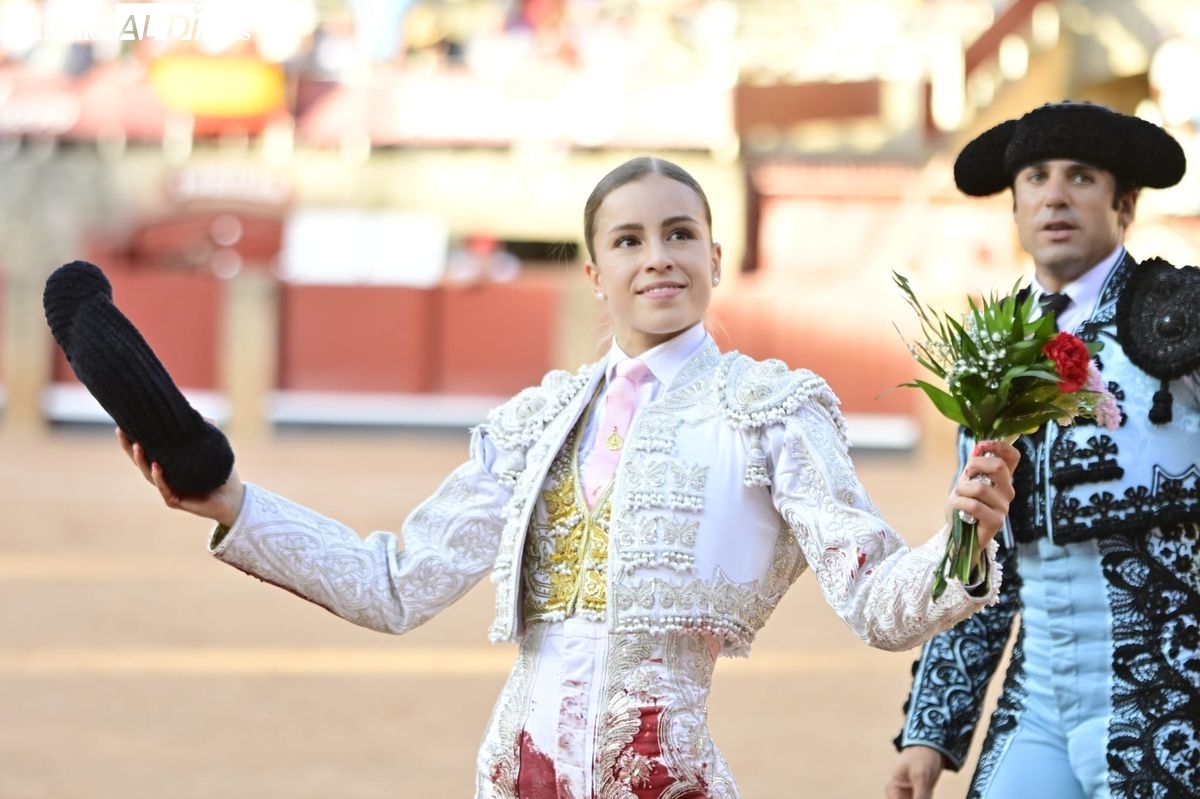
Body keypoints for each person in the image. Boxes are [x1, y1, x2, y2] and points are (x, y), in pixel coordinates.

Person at [120, 156, 1019, 798]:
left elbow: (876, 603)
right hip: (516, 774)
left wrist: (964, 535)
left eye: (680, 233)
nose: (657, 255)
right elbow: (392, 585)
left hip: (667, 777)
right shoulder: (533, 423)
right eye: (628, 240)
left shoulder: (771, 409)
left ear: (714, 256)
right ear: (596, 273)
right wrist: (235, 506)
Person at [886, 101, 1200, 799]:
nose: (1055, 194)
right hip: (1039, 707)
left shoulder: (1185, 317)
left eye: (1081, 176)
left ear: (1124, 203)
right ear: (1016, 206)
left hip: (1175, 701)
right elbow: (981, 557)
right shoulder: (992, 352)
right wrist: (930, 732)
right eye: (1035, 177)